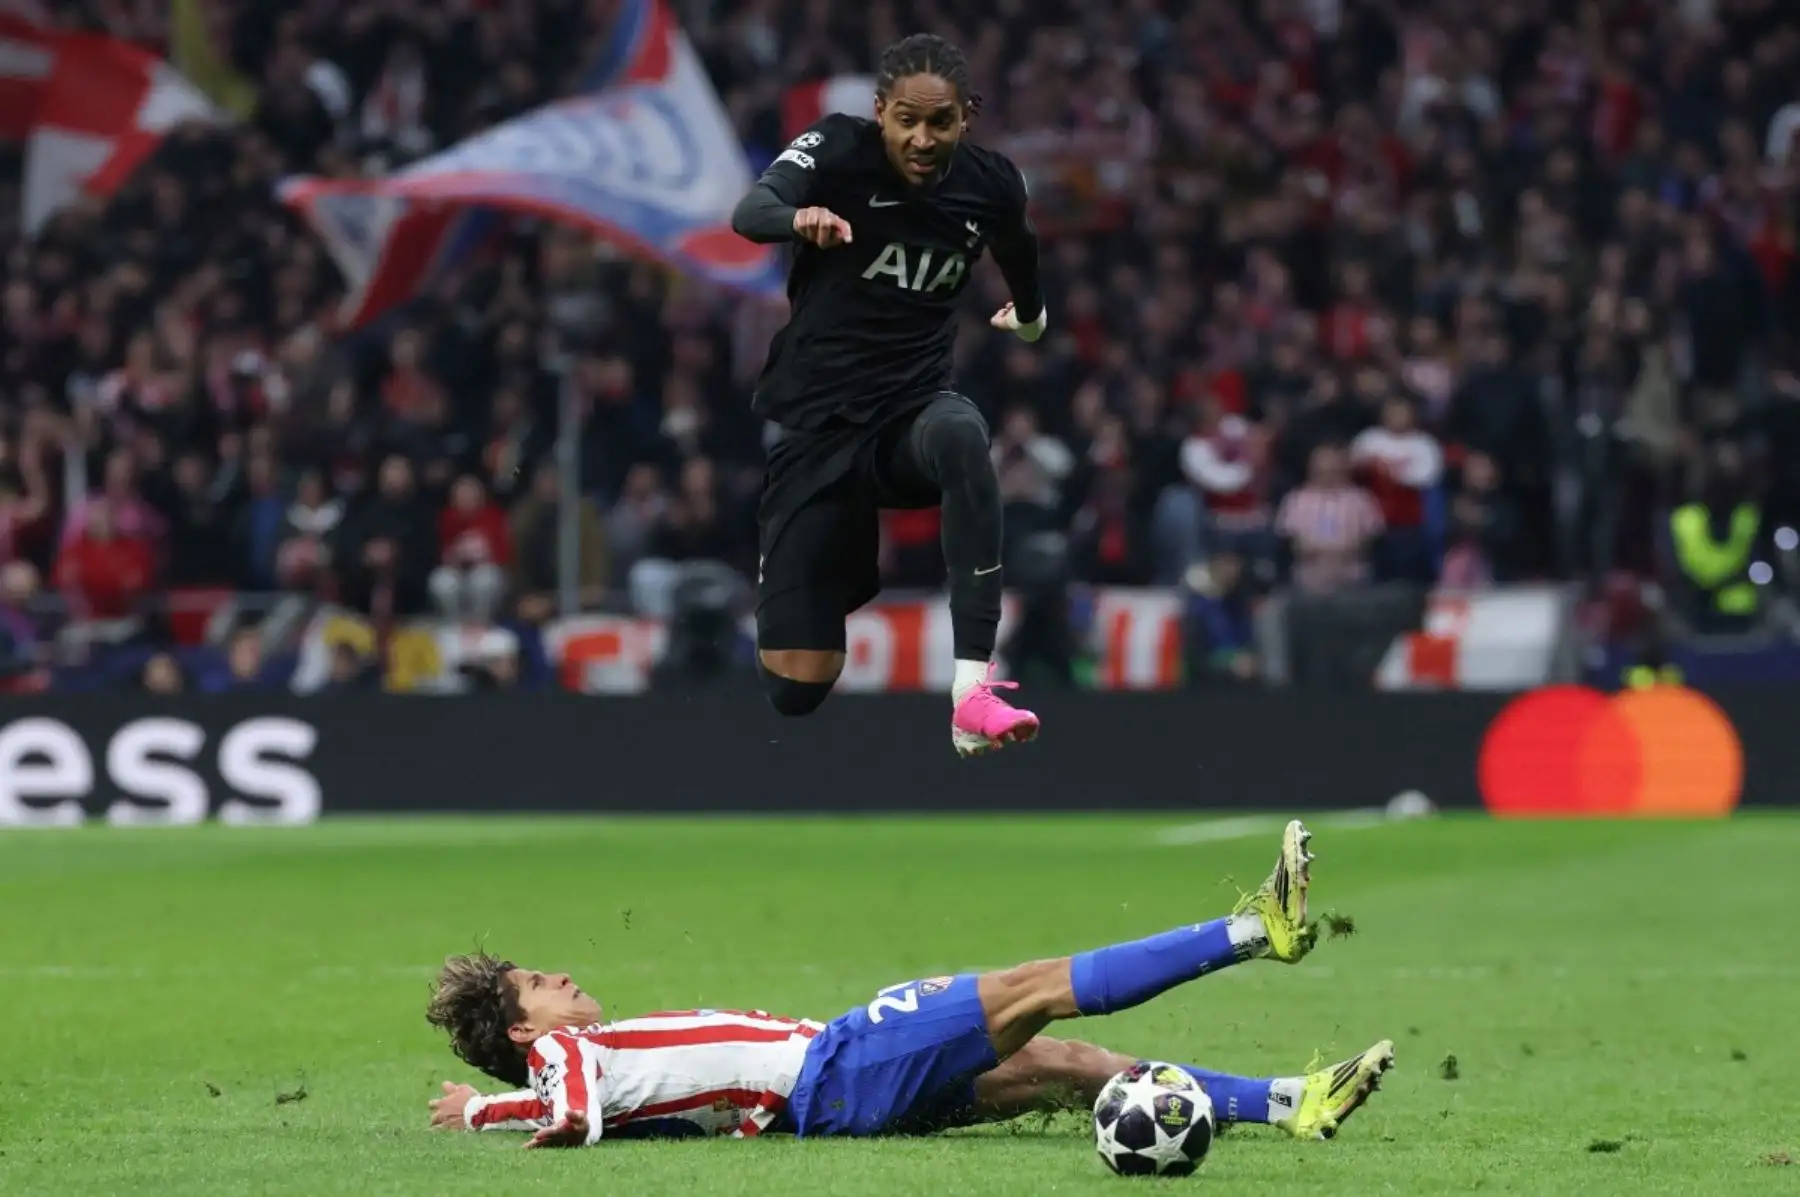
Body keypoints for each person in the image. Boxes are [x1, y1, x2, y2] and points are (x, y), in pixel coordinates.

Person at [425, 822, 1394, 1147]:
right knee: (1032, 990)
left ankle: (1294, 1103)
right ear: (523, 1034)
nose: (558, 977)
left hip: (837, 1097)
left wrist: (488, 1109)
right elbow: (571, 1115)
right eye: (535, 984)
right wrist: (482, 1113)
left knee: (1065, 1063)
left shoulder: (585, 1056)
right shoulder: (564, 1060)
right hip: (839, 1070)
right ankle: (1253, 930)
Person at [729, 34, 1049, 757]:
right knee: (798, 685)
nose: (923, 138)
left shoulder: (991, 184)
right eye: (907, 119)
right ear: (880, 112)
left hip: (906, 419)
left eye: (941, 122)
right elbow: (751, 211)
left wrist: (1030, 316)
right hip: (817, 428)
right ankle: (829, 569)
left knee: (962, 434)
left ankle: (972, 691)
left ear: (967, 117)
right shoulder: (838, 149)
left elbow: (1020, 248)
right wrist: (797, 218)